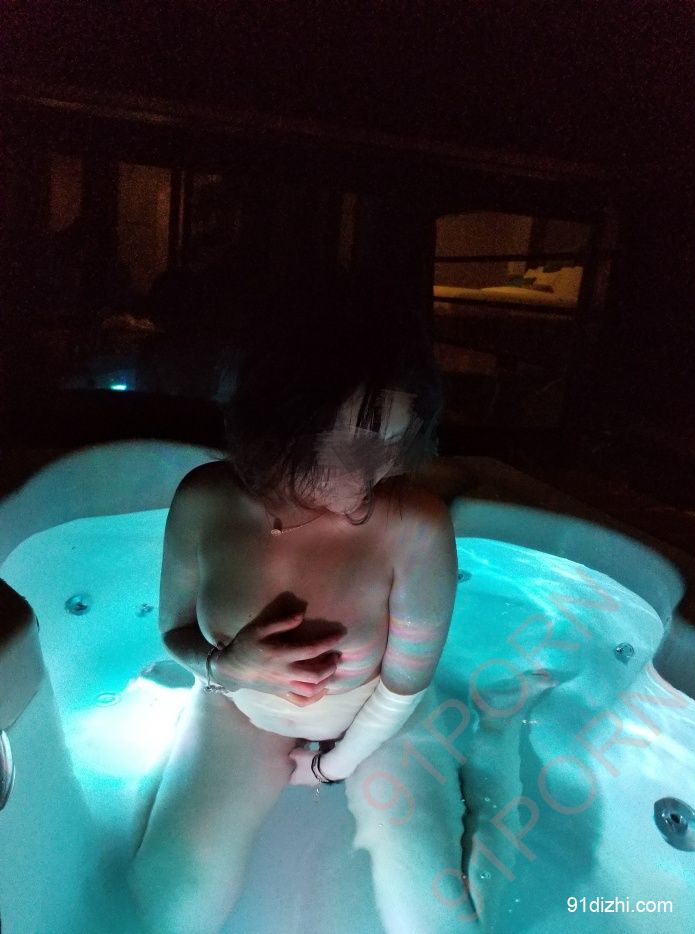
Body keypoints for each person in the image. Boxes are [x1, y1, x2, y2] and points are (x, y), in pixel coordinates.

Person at [128, 279, 466, 934]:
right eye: (358, 446)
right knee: (169, 898)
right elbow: (173, 630)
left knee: (427, 912)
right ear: (283, 423)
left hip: (381, 723)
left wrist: (331, 765)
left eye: (396, 445)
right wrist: (226, 669)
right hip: (238, 710)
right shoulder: (205, 500)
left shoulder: (413, 525)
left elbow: (405, 687)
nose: (379, 472)